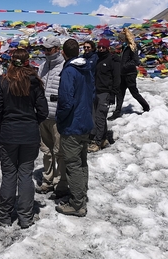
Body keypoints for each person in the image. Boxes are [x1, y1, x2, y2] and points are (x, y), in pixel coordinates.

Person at [0, 48, 48, 229]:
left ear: (11, 61)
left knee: (9, 175)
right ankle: (26, 217)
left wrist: (3, 122)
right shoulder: (35, 83)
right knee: (25, 175)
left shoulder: (3, 82)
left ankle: (4, 215)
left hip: (8, 134)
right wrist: (32, 123)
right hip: (29, 135)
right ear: (27, 61)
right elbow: (43, 111)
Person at [55, 38, 95, 217]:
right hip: (85, 121)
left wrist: (60, 119)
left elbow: (65, 101)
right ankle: (82, 195)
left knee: (73, 164)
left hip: (72, 124)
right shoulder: (86, 69)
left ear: (63, 53)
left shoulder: (69, 72)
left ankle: (77, 204)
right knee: (82, 161)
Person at [35, 36, 67, 195]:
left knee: (59, 151)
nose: (46, 52)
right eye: (44, 49)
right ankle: (47, 180)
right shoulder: (42, 67)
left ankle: (60, 183)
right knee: (46, 151)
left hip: (58, 117)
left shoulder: (64, 67)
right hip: (43, 116)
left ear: (57, 49)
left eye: (49, 49)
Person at [110, 28, 150, 119]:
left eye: (120, 39)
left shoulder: (132, 47)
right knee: (120, 93)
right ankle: (117, 112)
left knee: (134, 92)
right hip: (123, 73)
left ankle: (146, 107)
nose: (119, 41)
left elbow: (136, 61)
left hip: (130, 74)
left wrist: (124, 65)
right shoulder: (124, 47)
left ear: (124, 39)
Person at [89, 38, 120, 153]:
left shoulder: (112, 60)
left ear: (107, 48)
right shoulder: (96, 58)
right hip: (95, 91)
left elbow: (117, 78)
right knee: (96, 117)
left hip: (105, 92)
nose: (101, 49)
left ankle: (97, 142)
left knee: (100, 117)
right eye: (99, 47)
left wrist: (113, 94)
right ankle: (103, 139)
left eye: (103, 47)